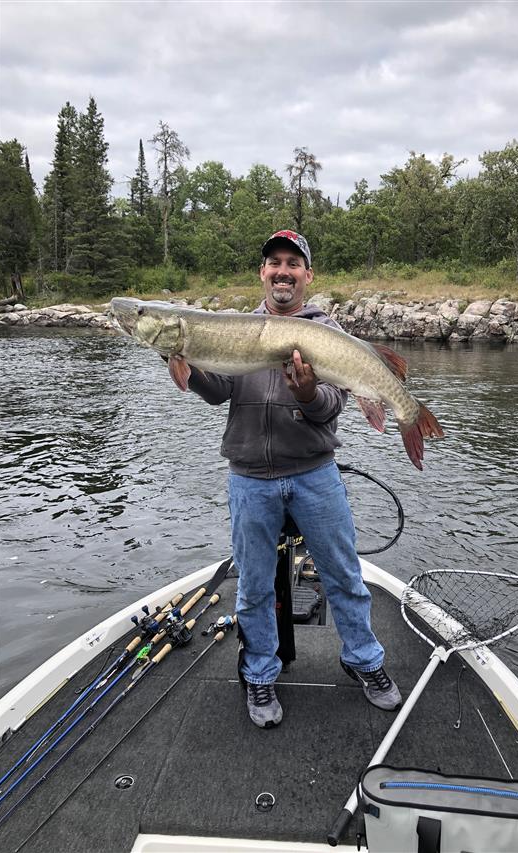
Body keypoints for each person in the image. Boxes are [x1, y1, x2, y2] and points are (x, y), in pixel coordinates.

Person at [170, 230, 401, 728]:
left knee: (343, 575)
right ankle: (259, 672)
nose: (282, 271)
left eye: (293, 263)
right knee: (253, 586)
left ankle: (365, 661)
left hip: (315, 474)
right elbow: (217, 391)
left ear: (307, 275)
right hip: (250, 478)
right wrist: (181, 358)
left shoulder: (330, 333)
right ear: (262, 273)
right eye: (274, 262)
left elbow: (331, 407)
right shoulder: (237, 330)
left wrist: (307, 393)